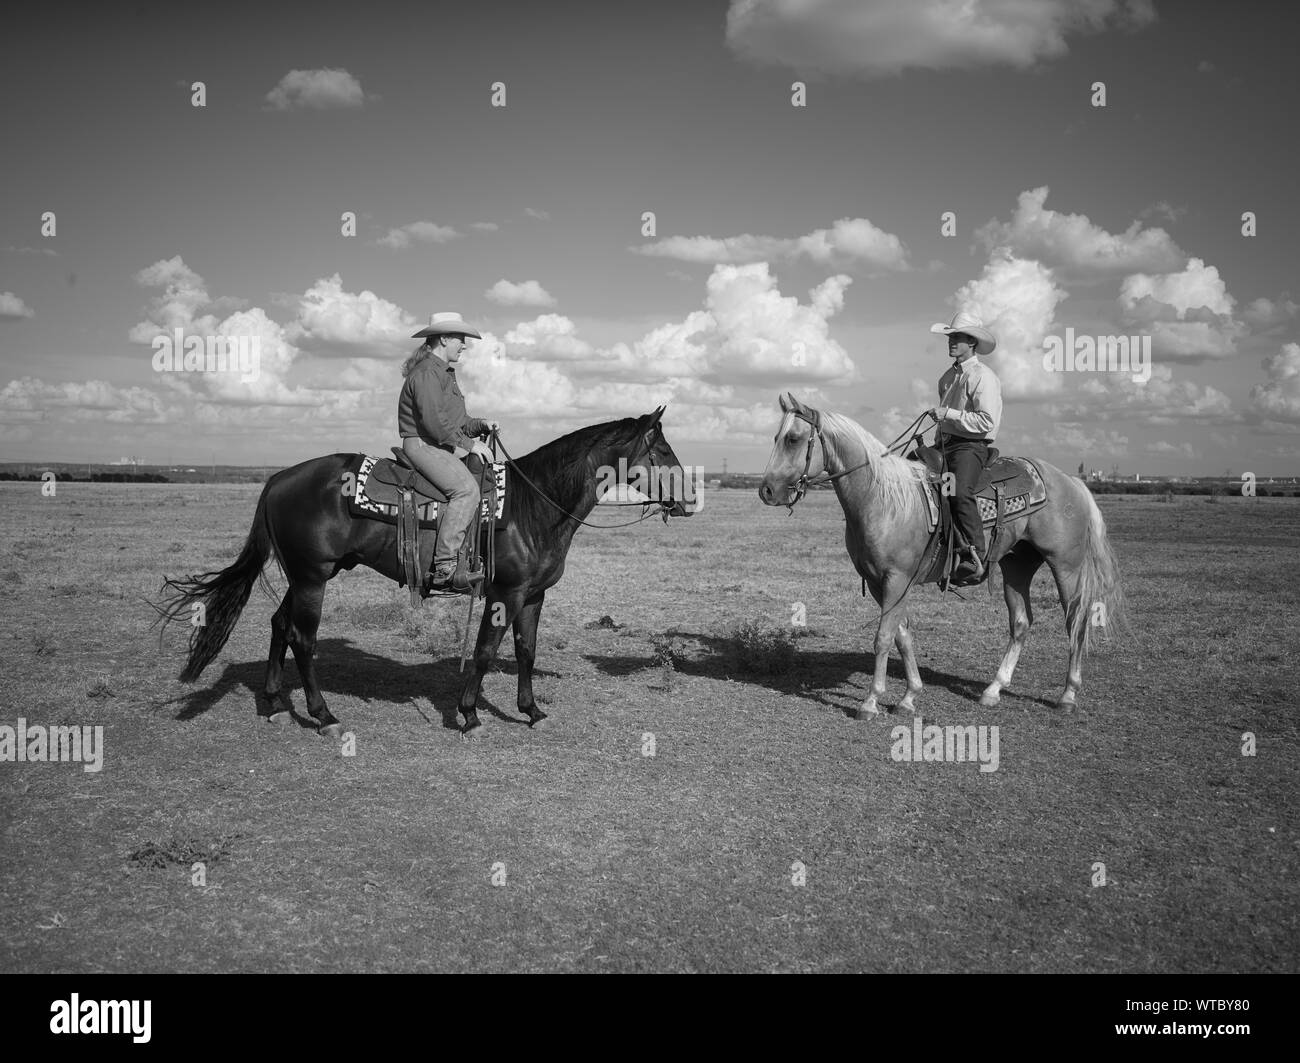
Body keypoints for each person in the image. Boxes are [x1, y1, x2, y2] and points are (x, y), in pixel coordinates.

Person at [397, 312, 497, 593]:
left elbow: (456, 420)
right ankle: (444, 567)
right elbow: (433, 422)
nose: (464, 345)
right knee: (466, 491)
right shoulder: (429, 373)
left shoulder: (443, 373)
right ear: (444, 339)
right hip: (423, 445)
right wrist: (469, 445)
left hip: (437, 444)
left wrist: (480, 425)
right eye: (460, 339)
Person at [927, 311, 1003, 586]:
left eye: (957, 337)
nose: (951, 342)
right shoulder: (947, 377)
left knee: (957, 490)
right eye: (950, 337)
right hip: (945, 445)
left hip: (970, 446)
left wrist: (949, 415)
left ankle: (973, 555)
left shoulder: (983, 377)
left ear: (971, 342)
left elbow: (987, 421)